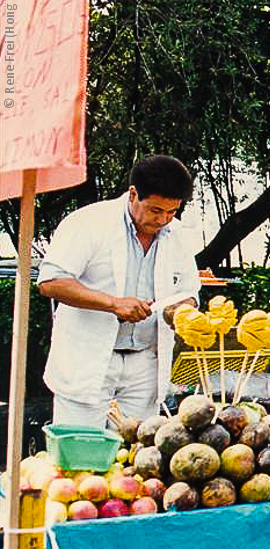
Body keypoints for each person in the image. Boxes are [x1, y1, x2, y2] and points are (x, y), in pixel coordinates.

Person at [38, 155, 200, 426]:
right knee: (80, 453)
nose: (163, 219)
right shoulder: (89, 222)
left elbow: (187, 291)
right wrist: (113, 303)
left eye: (172, 212)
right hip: (90, 359)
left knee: (137, 455)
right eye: (155, 210)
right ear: (133, 194)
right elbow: (51, 281)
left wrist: (181, 312)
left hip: (145, 363)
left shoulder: (178, 234)